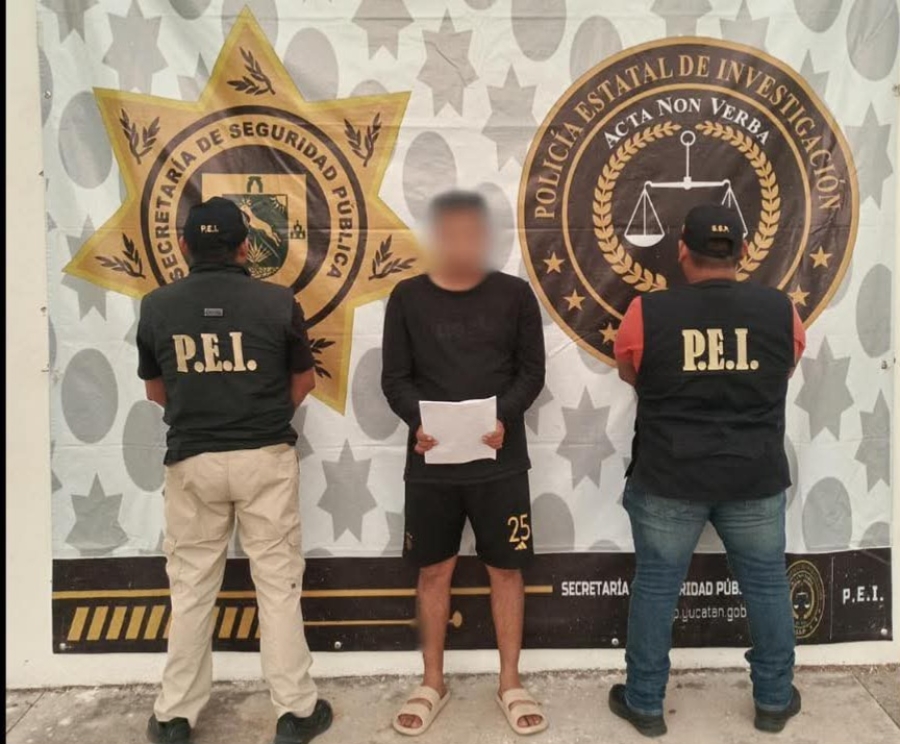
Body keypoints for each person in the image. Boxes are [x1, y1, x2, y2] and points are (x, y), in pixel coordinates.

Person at [137, 197, 332, 744]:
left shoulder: (157, 306)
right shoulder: (278, 301)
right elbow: (304, 381)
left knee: (191, 588)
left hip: (192, 460)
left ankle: (174, 717)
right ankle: (296, 712)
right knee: (277, 584)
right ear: (246, 247)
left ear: (184, 246)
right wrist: (259, 419)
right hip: (263, 457)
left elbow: (156, 391)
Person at [610, 203, 806, 737]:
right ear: (742, 251)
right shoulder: (781, 311)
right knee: (767, 586)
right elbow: (784, 368)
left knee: (656, 588)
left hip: (669, 475)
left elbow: (630, 373)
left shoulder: (645, 312)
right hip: (753, 474)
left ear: (681, 251)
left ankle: (645, 703)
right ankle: (774, 701)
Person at [381, 191, 548, 737]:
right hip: (431, 462)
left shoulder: (516, 295)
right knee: (433, 571)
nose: (460, 243)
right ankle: (432, 681)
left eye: (471, 232)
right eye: (449, 233)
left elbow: (531, 372)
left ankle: (510, 681)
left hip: (501, 460)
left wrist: (503, 416)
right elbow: (395, 379)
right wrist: (418, 421)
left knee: (507, 571)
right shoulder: (406, 297)